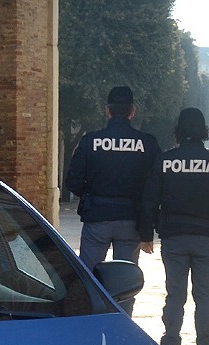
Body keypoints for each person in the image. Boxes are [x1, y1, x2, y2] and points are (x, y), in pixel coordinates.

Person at [141, 107, 209, 345]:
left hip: (173, 238)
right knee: (205, 297)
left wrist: (145, 234)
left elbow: (149, 200)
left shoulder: (165, 160)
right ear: (203, 131)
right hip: (208, 238)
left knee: (175, 296)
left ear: (179, 130)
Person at [64, 85, 161, 314]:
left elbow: (73, 182)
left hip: (97, 218)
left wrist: (91, 194)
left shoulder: (91, 142)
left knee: (87, 278)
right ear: (132, 111)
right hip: (131, 221)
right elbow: (154, 188)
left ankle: (88, 324)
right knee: (125, 282)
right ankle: (121, 325)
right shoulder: (147, 144)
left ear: (107, 110)